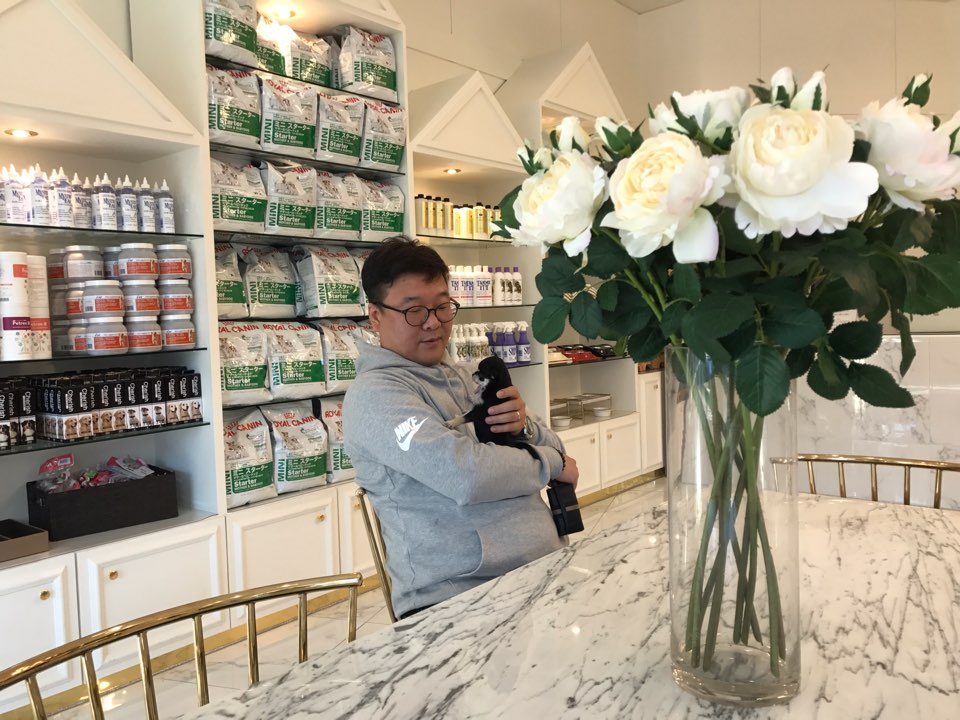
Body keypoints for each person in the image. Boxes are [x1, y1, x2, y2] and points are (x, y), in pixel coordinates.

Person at [342, 237, 579, 619]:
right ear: (375, 316)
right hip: (456, 599)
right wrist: (549, 463)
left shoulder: (471, 376)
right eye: (414, 311)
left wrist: (525, 429)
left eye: (441, 307)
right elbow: (466, 475)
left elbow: (555, 445)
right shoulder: (375, 396)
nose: (433, 322)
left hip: (538, 573)